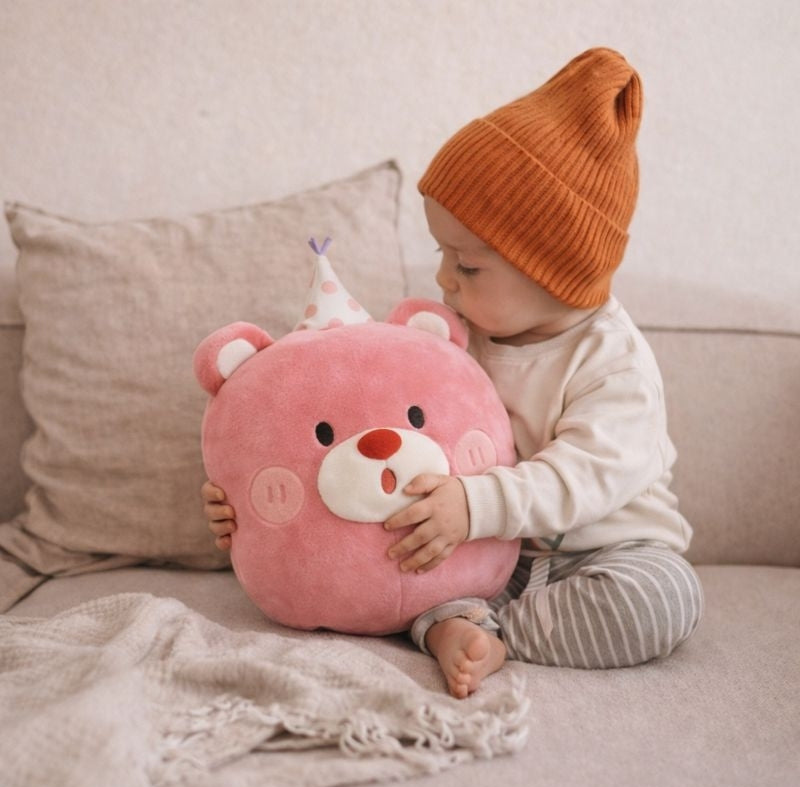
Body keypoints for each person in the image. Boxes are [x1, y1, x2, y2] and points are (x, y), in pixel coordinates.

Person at [202, 47, 703, 699]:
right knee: (410, 564)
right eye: (443, 254)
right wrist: (255, 500)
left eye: (467, 265)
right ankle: (450, 615)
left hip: (610, 553)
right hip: (491, 557)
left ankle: (488, 630)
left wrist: (474, 505)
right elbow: (371, 412)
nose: (443, 279)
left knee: (664, 600)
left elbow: (588, 477)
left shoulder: (614, 363)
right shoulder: (458, 337)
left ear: (556, 273)